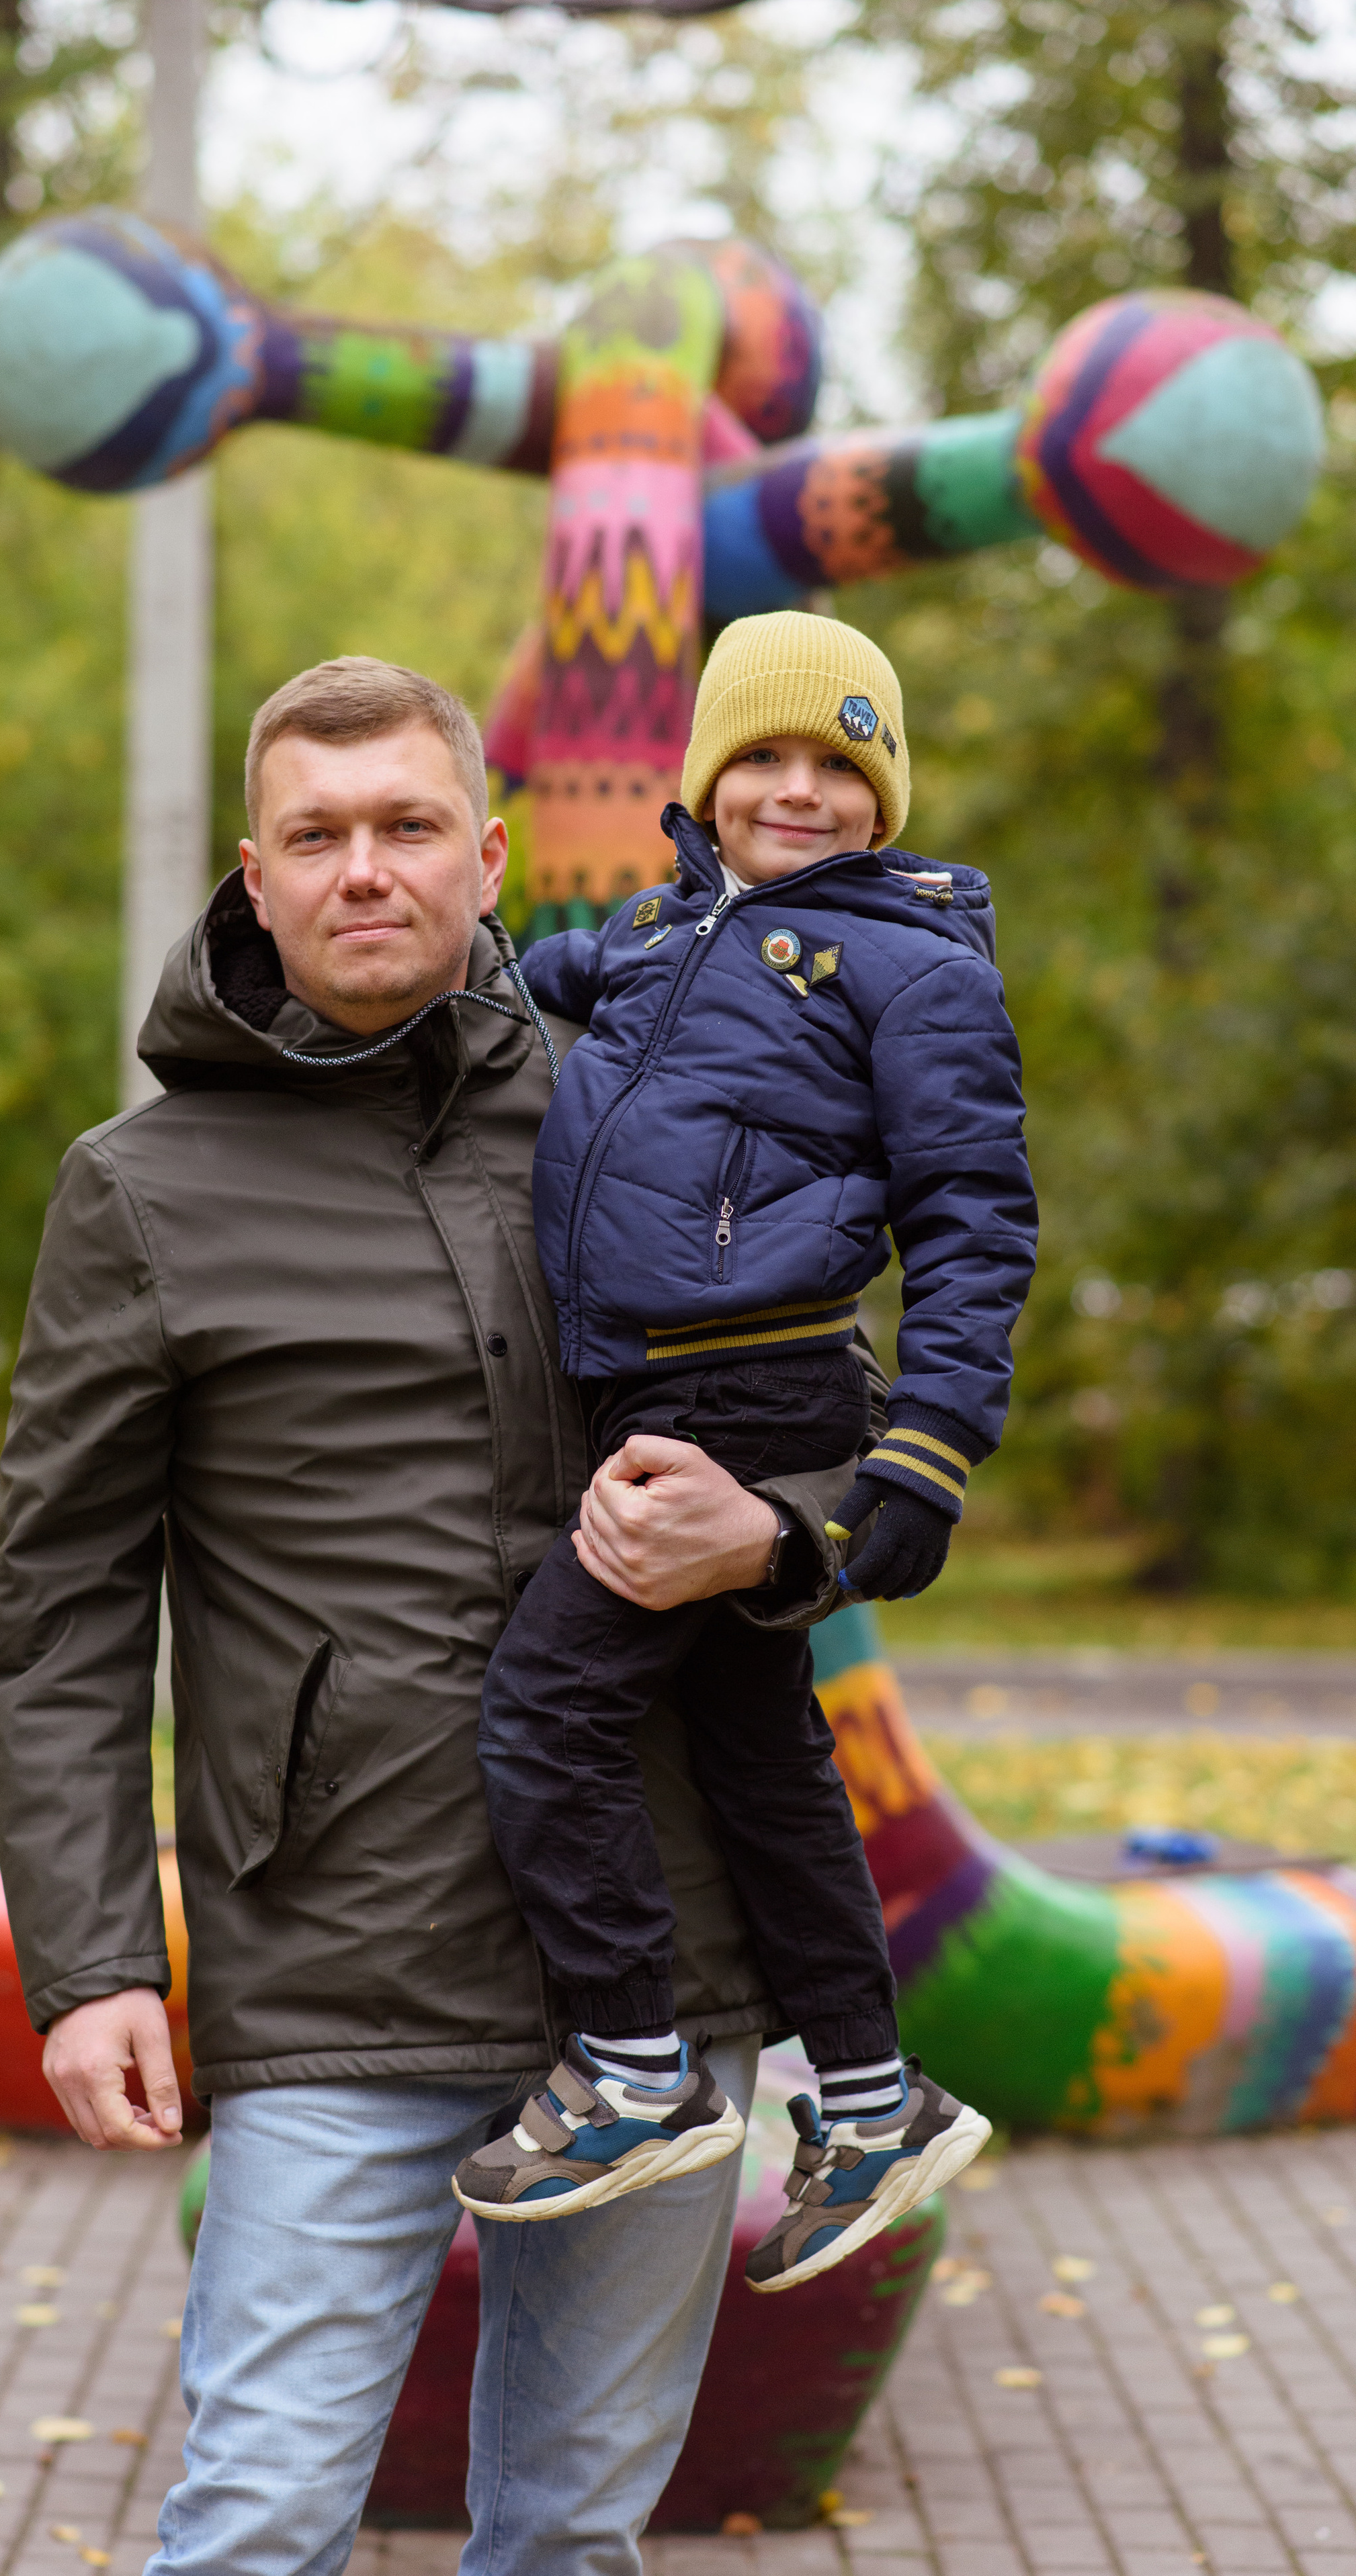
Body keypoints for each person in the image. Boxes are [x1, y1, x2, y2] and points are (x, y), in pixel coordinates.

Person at [0, 655, 884, 2576]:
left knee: (574, 2532)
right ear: (255, 873)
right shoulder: (138, 1192)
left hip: (663, 1955)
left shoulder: (651, 1104)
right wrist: (92, 1960)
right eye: (316, 834)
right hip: (338, 1961)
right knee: (258, 2518)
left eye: (405, 825)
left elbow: (844, 1424)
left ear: (488, 856)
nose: (363, 868)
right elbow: (57, 1615)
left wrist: (770, 1533)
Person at [455, 612, 1037, 2292]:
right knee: (762, 1763)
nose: (797, 790)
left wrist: (925, 1448)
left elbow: (974, 1218)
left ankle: (631, 2070)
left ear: (883, 796)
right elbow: (526, 975)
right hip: (651, 1391)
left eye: (837, 766)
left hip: (751, 1394)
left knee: (546, 1709)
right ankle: (867, 2096)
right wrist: (448, 945)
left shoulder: (911, 969)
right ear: (703, 778)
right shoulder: (655, 932)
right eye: (761, 756)